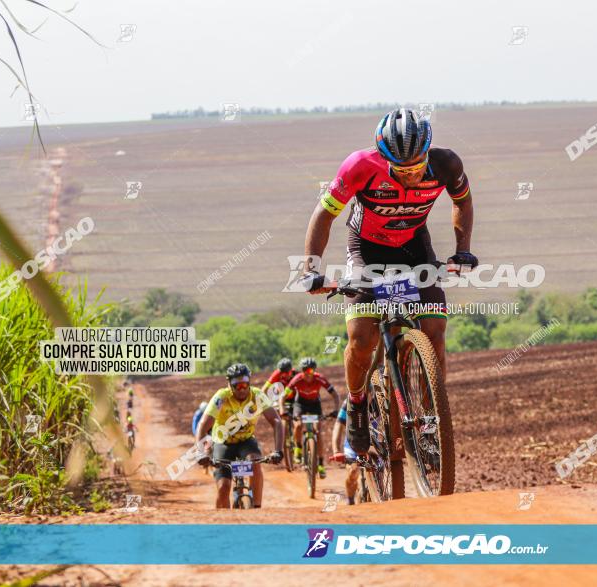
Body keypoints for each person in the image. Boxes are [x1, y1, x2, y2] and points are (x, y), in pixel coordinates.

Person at [300, 108, 477, 455]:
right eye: (400, 169)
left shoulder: (447, 164)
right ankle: (357, 404)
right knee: (362, 337)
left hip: (414, 247)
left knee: (434, 331)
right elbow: (323, 215)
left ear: (427, 152)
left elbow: (463, 201)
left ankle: (429, 420)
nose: (410, 174)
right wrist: (311, 269)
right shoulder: (359, 167)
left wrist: (463, 250)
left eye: (416, 166)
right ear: (384, 158)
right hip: (366, 248)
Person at [195, 363, 283, 509]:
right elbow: (202, 426)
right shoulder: (221, 397)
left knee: (254, 462)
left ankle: (256, 508)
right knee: (223, 487)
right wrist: (201, 453)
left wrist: (278, 450)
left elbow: (276, 421)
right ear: (229, 385)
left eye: (245, 385)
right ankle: (223, 524)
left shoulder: (257, 395)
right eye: (237, 386)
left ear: (249, 382)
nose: (242, 389)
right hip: (223, 442)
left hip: (246, 441)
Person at [278, 357, 339, 479]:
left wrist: (336, 409)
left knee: (318, 432)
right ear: (301, 371)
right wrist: (282, 410)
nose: (307, 373)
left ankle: (321, 464)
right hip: (300, 404)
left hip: (315, 404)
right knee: (299, 425)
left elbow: (335, 394)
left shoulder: (319, 378)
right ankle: (298, 449)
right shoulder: (297, 379)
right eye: (304, 370)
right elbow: (283, 396)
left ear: (314, 371)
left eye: (310, 371)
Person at [330, 396, 360, 505]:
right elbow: (338, 425)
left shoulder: (379, 399)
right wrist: (336, 450)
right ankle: (351, 498)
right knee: (353, 472)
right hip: (353, 442)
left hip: (374, 441)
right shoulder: (349, 401)